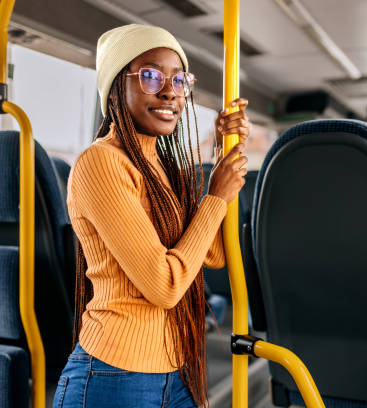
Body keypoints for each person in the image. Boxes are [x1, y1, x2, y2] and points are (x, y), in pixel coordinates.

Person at [53, 24, 251, 408]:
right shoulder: (101, 163)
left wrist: (224, 158)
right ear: (116, 87)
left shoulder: (162, 166)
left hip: (177, 370)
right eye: (150, 76)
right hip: (113, 375)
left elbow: (213, 255)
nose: (169, 91)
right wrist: (215, 196)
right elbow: (164, 286)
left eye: (179, 79)